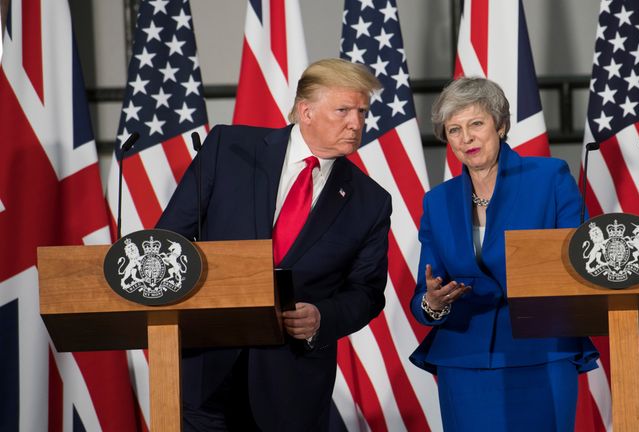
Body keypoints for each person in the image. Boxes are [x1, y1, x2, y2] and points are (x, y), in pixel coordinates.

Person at [156, 58, 392, 431]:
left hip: (290, 385)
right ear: (306, 111)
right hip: (205, 368)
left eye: (362, 111)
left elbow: (366, 292)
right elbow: (170, 240)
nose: (356, 123)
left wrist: (322, 317)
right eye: (344, 110)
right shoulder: (229, 148)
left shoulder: (370, 201)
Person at [409, 77, 599, 431]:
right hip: (464, 359)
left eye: (476, 124)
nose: (466, 138)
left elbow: (581, 261)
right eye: (454, 130)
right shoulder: (437, 202)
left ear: (500, 125)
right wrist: (434, 303)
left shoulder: (549, 177)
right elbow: (425, 292)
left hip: (541, 349)